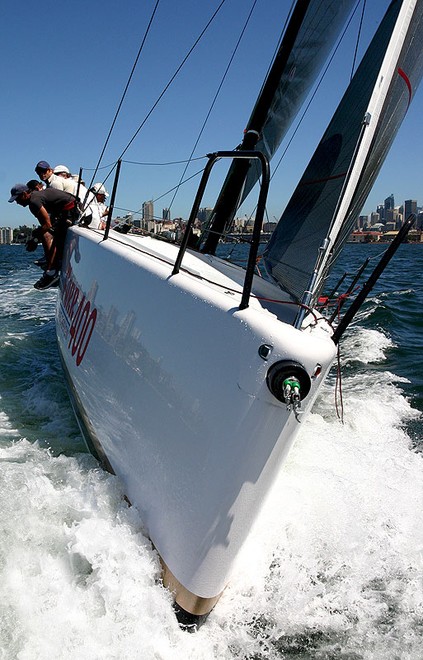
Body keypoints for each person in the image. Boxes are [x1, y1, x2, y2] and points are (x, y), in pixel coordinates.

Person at [8, 183, 78, 290]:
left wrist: (34, 240)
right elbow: (46, 225)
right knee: (41, 233)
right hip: (67, 210)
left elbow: (47, 225)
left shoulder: (34, 201)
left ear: (24, 194)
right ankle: (52, 263)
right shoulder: (35, 196)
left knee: (47, 236)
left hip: (72, 210)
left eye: (17, 199)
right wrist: (35, 238)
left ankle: (51, 272)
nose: (17, 202)